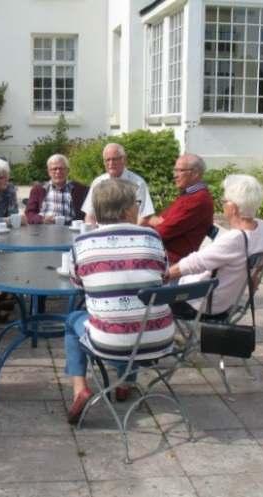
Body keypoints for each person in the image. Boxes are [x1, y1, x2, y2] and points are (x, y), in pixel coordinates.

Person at [65, 178, 173, 423]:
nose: (139, 207)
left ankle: (79, 388)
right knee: (137, 311)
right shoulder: (152, 238)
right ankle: (125, 383)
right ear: (125, 210)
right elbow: (164, 278)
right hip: (160, 338)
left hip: (109, 342)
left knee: (73, 320)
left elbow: (77, 284)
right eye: (136, 203)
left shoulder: (81, 244)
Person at [168, 174, 263, 319]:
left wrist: (162, 277)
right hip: (226, 301)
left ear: (233, 207)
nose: (222, 205)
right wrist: (254, 270)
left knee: (155, 285)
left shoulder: (233, 240)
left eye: (224, 201)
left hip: (199, 304)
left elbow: (193, 264)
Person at [147, 154, 214, 263]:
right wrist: (159, 221)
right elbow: (162, 220)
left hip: (172, 260)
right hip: (164, 253)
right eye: (175, 170)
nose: (175, 175)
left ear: (195, 173)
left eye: (180, 171)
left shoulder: (197, 199)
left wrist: (148, 223)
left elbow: (161, 232)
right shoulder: (189, 195)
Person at [81, 143, 155, 225]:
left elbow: (145, 215)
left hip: (129, 233)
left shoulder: (137, 183)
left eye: (114, 159)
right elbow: (90, 214)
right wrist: (93, 232)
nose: (111, 163)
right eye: (107, 160)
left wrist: (132, 232)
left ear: (124, 160)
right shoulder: (98, 182)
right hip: (102, 233)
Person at [25, 154, 88, 224]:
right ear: (48, 172)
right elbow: (29, 213)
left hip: (69, 229)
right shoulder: (38, 190)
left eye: (61, 168)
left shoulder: (80, 189)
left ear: (68, 171)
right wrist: (41, 219)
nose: (58, 172)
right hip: (44, 229)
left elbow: (88, 214)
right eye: (54, 169)